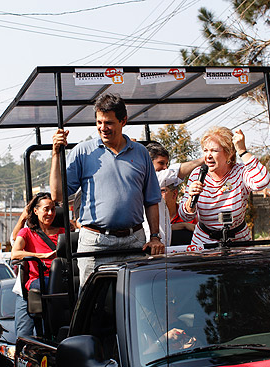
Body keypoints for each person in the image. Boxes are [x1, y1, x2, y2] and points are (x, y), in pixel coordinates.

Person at [50, 93, 165, 286]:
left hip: (134, 240)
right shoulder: (83, 151)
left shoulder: (141, 152)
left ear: (123, 121)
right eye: (99, 122)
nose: (103, 128)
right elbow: (58, 195)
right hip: (95, 242)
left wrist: (154, 237)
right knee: (92, 304)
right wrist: (55, 154)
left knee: (137, 302)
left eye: (109, 123)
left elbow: (152, 199)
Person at [179, 127, 270, 249]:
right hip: (204, 241)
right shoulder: (197, 174)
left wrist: (242, 150)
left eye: (214, 151)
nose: (208, 156)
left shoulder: (240, 172)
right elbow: (185, 216)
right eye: (205, 151)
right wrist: (191, 199)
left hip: (239, 241)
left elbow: (262, 181)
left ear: (229, 153)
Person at [11, 192, 64, 337]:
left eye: (53, 209)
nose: (50, 213)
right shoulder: (27, 233)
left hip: (60, 282)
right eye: (46, 209)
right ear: (36, 211)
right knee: (24, 333)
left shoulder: (64, 233)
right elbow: (15, 253)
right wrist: (41, 256)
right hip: (37, 283)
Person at [143, 142, 203, 246]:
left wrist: (183, 226)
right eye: (161, 163)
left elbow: (162, 226)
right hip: (150, 248)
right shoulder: (148, 179)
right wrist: (204, 159)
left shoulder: (155, 186)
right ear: (148, 163)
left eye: (167, 164)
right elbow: (178, 171)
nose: (165, 168)